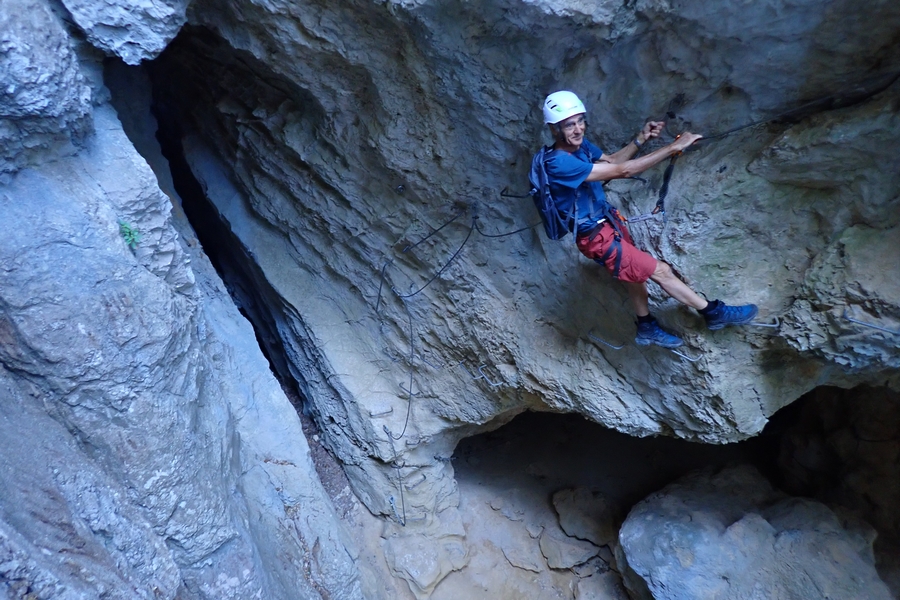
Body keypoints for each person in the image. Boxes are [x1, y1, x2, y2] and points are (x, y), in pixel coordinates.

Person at [539, 90, 758, 348]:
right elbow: (623, 171)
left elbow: (611, 161)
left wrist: (640, 139)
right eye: (569, 125)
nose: (578, 129)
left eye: (580, 121)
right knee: (660, 271)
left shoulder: (580, 147)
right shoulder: (558, 163)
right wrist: (673, 147)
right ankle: (713, 313)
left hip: (607, 224)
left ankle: (646, 327)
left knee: (634, 274)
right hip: (595, 238)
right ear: (554, 129)